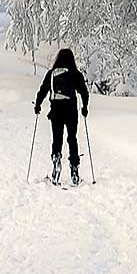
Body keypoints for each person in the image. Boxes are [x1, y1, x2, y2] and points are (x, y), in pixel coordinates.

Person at [34, 48, 90, 185]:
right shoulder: (75, 74)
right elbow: (84, 92)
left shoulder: (51, 74)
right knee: (72, 139)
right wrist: (84, 107)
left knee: (57, 139)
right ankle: (74, 170)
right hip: (71, 111)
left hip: (56, 111)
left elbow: (43, 90)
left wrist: (38, 105)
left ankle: (56, 162)